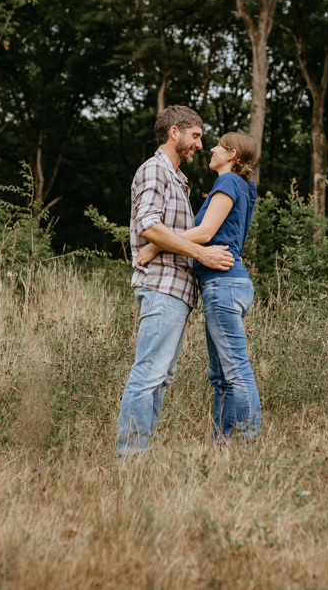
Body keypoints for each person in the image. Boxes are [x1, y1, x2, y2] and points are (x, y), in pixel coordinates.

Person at [116, 106, 235, 456]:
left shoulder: (176, 177)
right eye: (195, 136)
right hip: (162, 287)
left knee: (160, 377)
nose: (200, 144)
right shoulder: (155, 170)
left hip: (177, 291)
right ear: (175, 133)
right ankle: (130, 458)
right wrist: (202, 255)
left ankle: (139, 454)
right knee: (149, 374)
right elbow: (148, 225)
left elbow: (164, 232)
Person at [138, 131, 261, 442]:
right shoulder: (245, 187)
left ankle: (247, 445)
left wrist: (155, 246)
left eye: (218, 145)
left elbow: (205, 232)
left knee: (235, 372)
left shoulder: (230, 181)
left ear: (232, 154)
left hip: (223, 283)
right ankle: (223, 445)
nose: (211, 149)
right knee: (221, 376)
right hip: (228, 283)